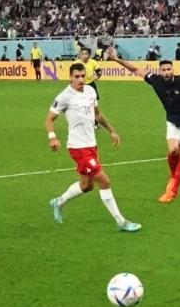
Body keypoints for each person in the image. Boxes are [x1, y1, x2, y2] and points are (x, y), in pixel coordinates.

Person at [45, 63, 140, 232]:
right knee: (104, 180)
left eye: (83, 76)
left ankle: (58, 202)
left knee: (87, 186)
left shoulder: (90, 91)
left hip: (91, 145)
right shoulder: (64, 96)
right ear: (70, 77)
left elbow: (97, 114)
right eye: (77, 77)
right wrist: (52, 137)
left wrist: (112, 131)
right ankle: (121, 221)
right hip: (78, 147)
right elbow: (49, 119)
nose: (80, 79)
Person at [108, 47, 180, 203]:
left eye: (169, 69)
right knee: (173, 150)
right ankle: (174, 176)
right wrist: (116, 59)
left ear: (173, 70)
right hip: (172, 119)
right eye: (164, 70)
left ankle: (172, 190)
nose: (166, 72)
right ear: (159, 71)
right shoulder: (155, 80)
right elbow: (135, 69)